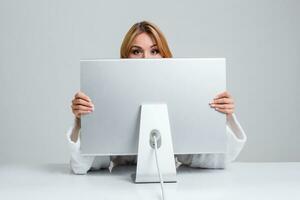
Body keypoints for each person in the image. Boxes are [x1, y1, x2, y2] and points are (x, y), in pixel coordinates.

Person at [67, 21, 247, 174]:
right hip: (118, 185)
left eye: (154, 51)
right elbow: (81, 166)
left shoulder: (182, 94)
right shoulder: (107, 94)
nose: (146, 58)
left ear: (164, 55)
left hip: (170, 182)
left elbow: (219, 160)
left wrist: (225, 115)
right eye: (136, 51)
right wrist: (81, 121)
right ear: (125, 57)